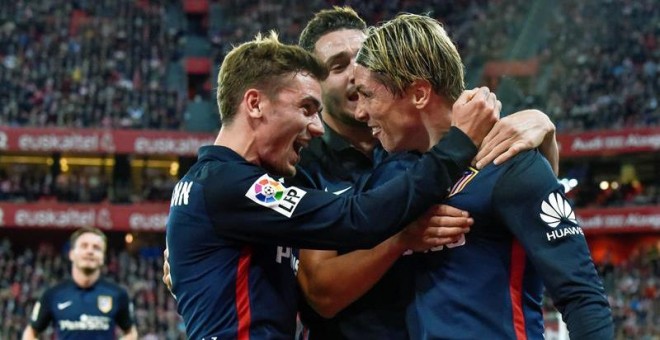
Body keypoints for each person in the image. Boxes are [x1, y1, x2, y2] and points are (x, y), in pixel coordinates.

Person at [165, 31, 500, 339]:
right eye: (306, 108)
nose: (316, 127)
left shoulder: (228, 186)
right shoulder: (231, 185)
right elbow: (353, 218)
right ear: (255, 104)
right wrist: (457, 145)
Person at [295, 6, 560, 339]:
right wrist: (402, 239)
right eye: (337, 65)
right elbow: (321, 294)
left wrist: (544, 129)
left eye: (360, 59)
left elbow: (530, 199)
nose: (352, 73)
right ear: (315, 85)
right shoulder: (307, 162)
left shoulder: (420, 140)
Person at [351, 13, 613, 339]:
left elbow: (582, 296)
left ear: (418, 94)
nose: (359, 111)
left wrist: (544, 127)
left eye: (367, 94)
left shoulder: (510, 164)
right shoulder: (392, 172)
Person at [22, 227, 138, 340]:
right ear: (71, 254)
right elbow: (30, 333)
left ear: (102, 257)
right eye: (84, 246)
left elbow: (131, 333)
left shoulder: (117, 294)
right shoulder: (53, 295)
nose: (90, 251)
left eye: (96, 248)